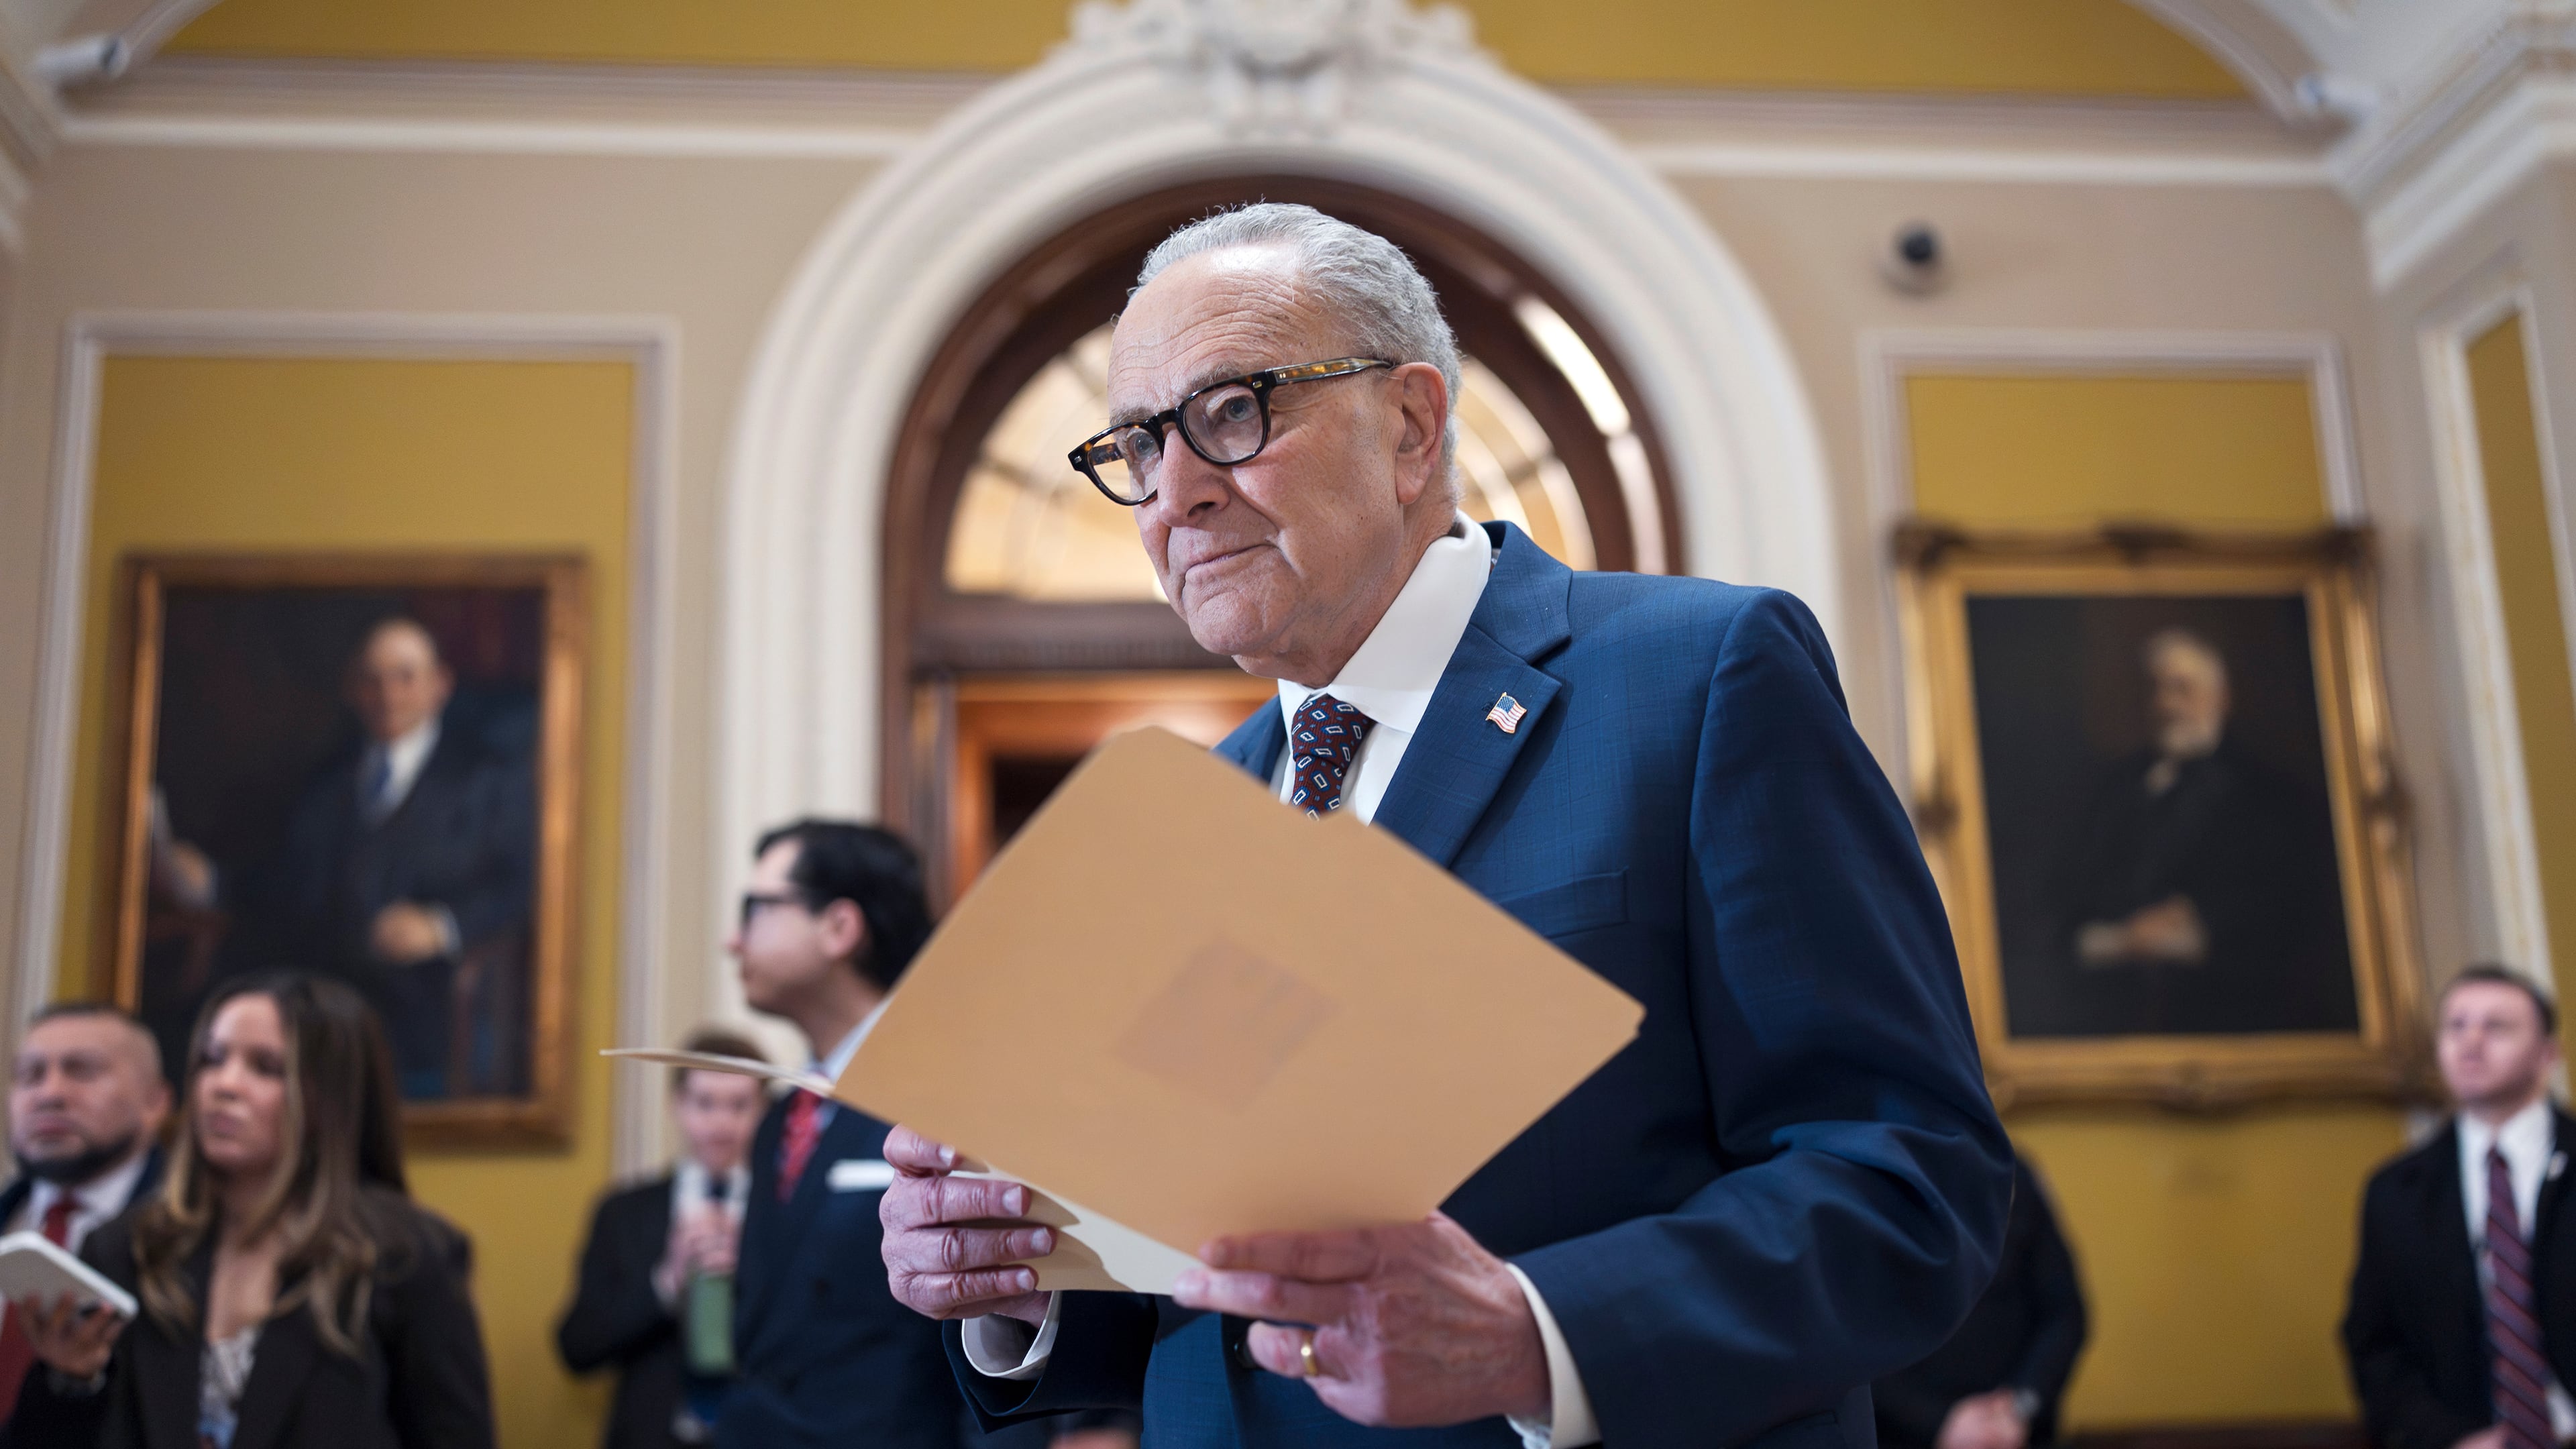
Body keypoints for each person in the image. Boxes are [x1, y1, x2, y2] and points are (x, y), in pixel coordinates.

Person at [877, 203, 2011, 1447]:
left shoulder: (1700, 676)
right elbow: (1202, 1284)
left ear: (1412, 424)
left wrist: (1537, 1336)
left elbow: (1908, 1183)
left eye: (1232, 413)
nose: (1176, 496)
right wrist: (1020, 1278)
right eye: (1141, 449)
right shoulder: (1188, 817)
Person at [5, 973, 495, 1448]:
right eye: (212, 1060)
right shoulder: (129, 1245)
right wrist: (71, 1377)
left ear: (330, 1095)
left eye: (265, 1067)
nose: (225, 1085)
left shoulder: (404, 1255)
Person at [160, 616, 537, 1099]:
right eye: (372, 679)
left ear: (439, 685)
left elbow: (521, 885)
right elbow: (284, 880)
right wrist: (211, 881)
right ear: (353, 690)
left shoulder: (487, 779)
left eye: (405, 677)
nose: (388, 694)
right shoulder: (328, 780)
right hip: (317, 996)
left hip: (422, 1004)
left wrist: (443, 926)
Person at [719, 819, 963, 1449]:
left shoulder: (947, 1091)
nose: (731, 940)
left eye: (756, 909)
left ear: (839, 929)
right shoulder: (780, 1117)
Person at [2047, 627, 2351, 1036]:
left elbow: (2294, 915)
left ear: (2221, 699)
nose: (2166, 705)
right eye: (2156, 689)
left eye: (2182, 689)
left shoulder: (2272, 796)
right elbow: (2066, 899)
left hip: (2233, 1015)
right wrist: (2118, 937)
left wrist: (2198, 925)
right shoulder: (2112, 791)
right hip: (2112, 1017)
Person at [2345, 965, 2576, 1449]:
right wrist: (2449, 1440)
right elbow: (2375, 1345)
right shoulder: (2398, 1191)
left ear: (2547, 1054)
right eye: (2456, 1026)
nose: (2471, 1042)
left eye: (2496, 1027)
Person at [559, 1026, 771, 1449]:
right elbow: (577, 1347)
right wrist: (667, 1281)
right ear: (678, 1105)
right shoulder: (624, 1211)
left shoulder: (782, 1208)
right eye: (705, 1103)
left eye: (739, 1106)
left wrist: (751, 1272)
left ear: (764, 1110)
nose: (721, 1123)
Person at [0, 1004, 172, 1426]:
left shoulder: (191, 1235)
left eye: (82, 1071)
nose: (50, 1094)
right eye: (30, 1075)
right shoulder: (11, 1216)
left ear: (155, 1103)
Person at [1875, 1152, 2088, 1449]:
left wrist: (2019, 1405)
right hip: (1904, 1433)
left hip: (2014, 1429)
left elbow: (2065, 1313)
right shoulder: (1865, 1182)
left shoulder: (2012, 1175)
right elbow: (1842, 1339)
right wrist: (1939, 1422)